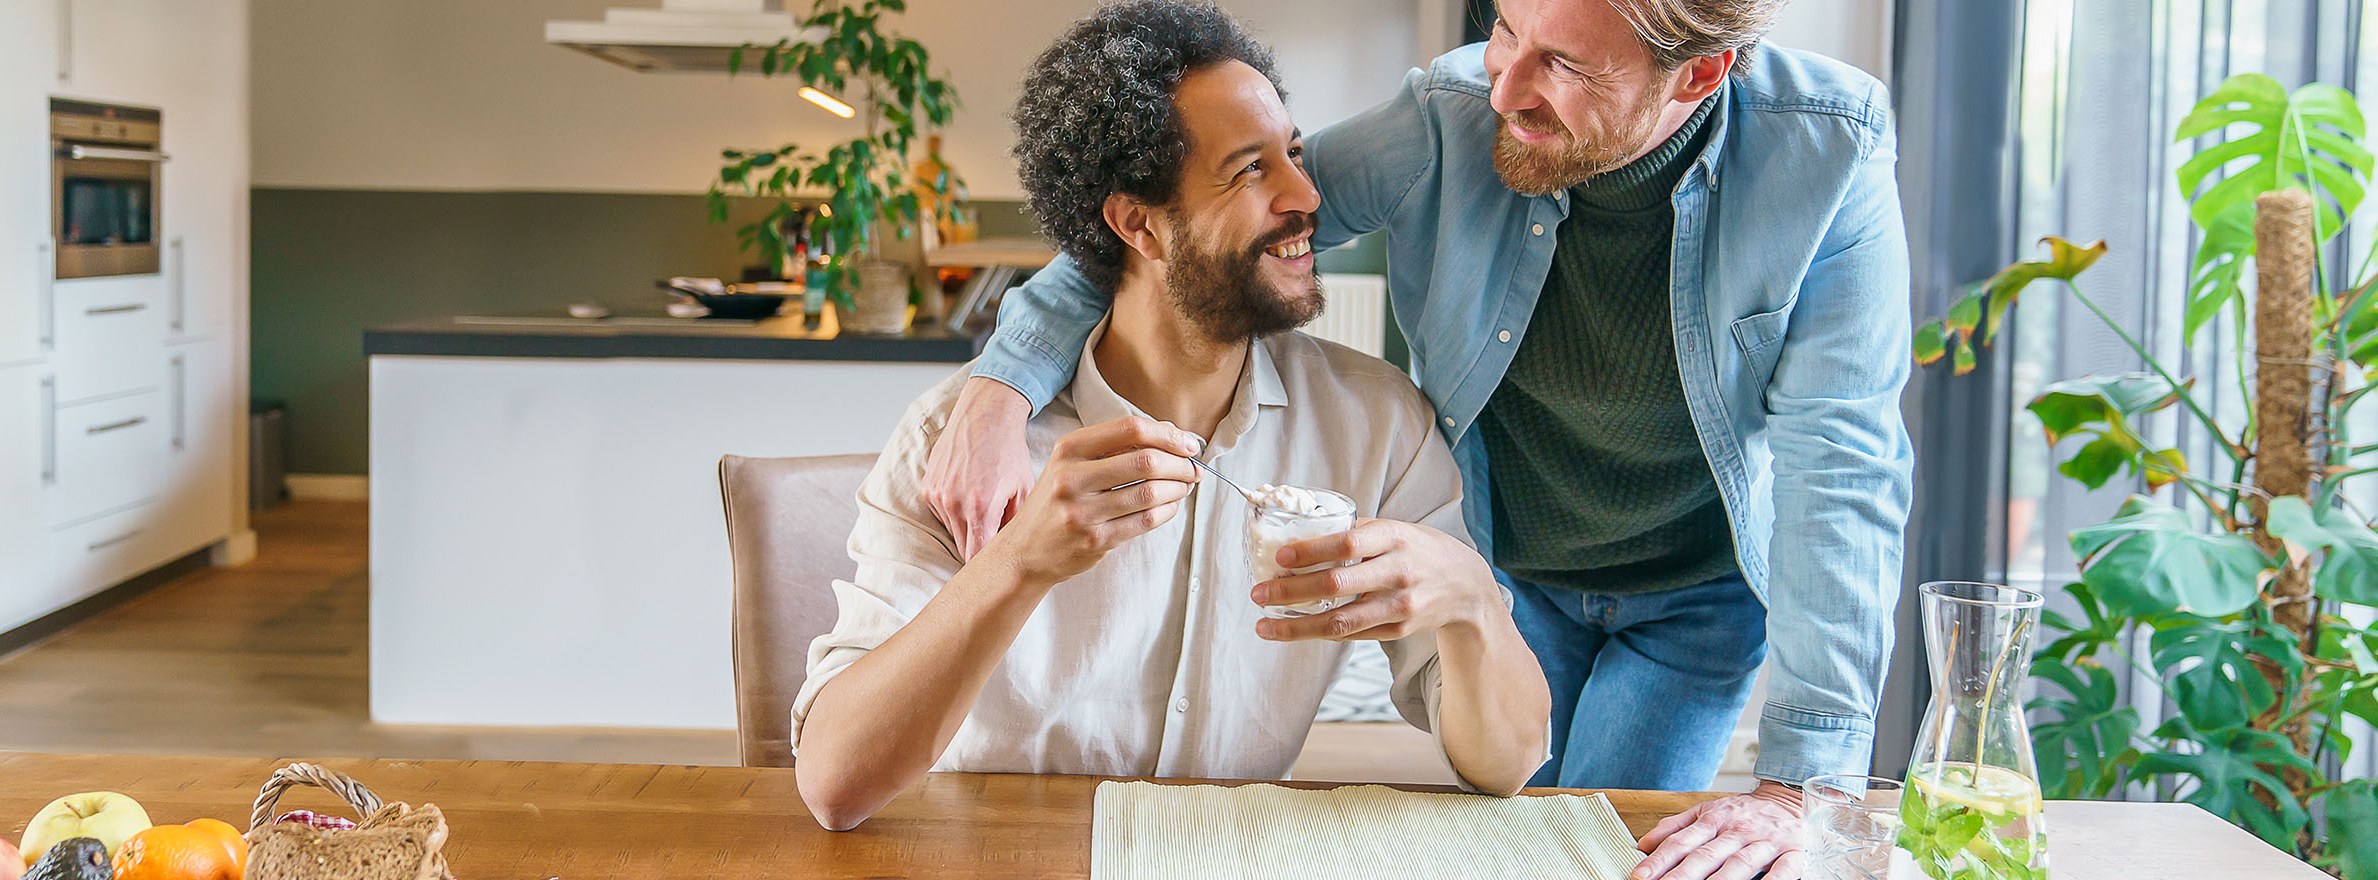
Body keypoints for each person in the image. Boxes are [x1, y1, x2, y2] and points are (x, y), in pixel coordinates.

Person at [922, 0, 1915, 877]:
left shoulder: (1826, 148)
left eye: (1561, 65)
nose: (1503, 84)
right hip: (1512, 565)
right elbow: (1187, 229)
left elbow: (1843, 462)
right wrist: (998, 385)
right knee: (1508, 821)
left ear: (1699, 75)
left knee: (1616, 851)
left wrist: (1799, 786)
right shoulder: (1443, 112)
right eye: (1506, 29)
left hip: (1691, 600)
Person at [789, 0, 1549, 833]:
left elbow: (1507, 762)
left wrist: (1472, 599)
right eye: (1249, 170)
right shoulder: (964, 447)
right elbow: (835, 783)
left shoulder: (1378, 428)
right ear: (1137, 223)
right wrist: (1017, 565)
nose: (1307, 196)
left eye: (1294, 153)